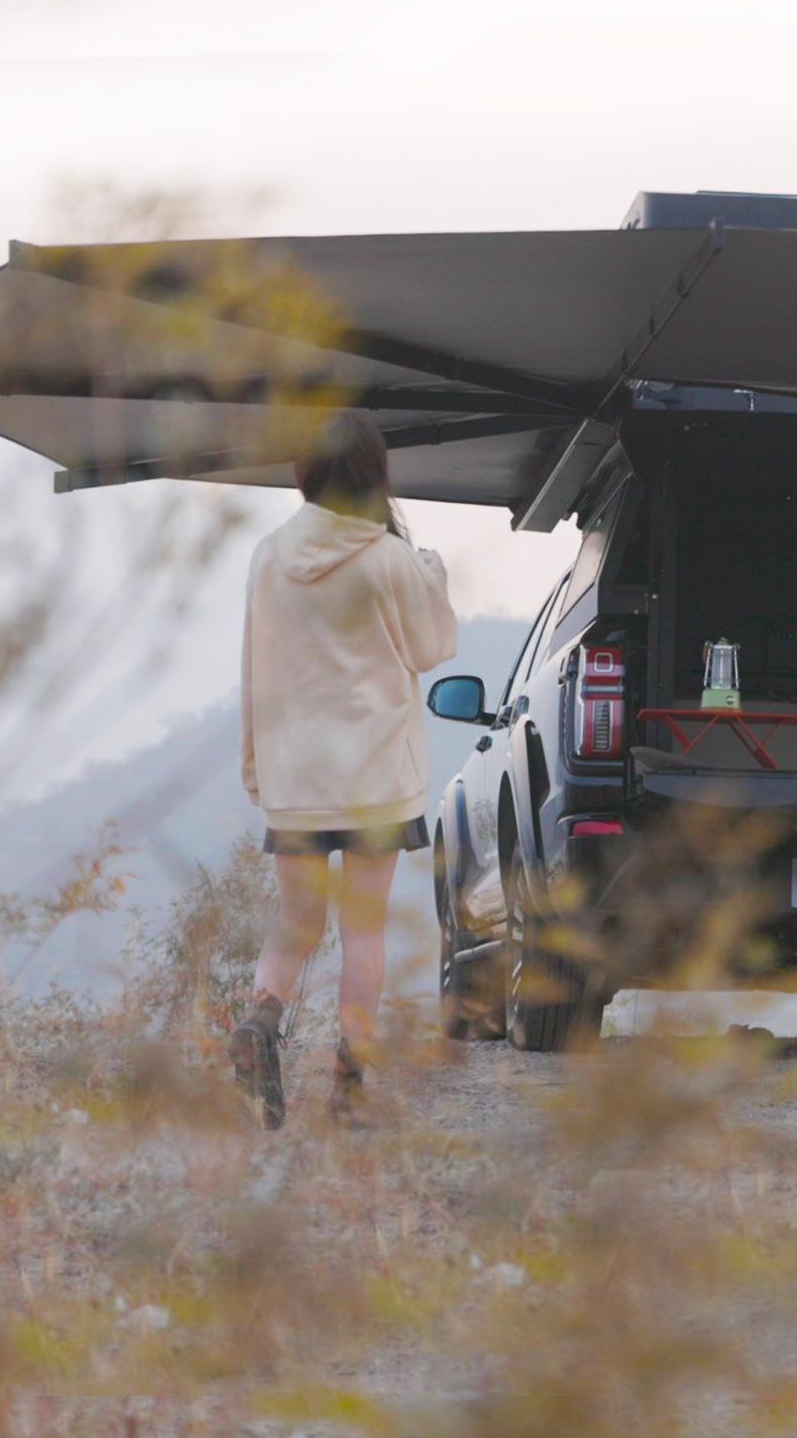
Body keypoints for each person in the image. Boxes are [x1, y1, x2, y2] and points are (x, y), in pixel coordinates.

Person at [231, 410, 458, 1127]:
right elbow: (430, 648)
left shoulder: (269, 556)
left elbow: (254, 668)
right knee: (362, 929)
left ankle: (259, 1021)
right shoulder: (389, 558)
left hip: (295, 776)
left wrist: (256, 767)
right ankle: (348, 1087)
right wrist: (432, 575)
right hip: (375, 778)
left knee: (296, 923)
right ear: (371, 472)